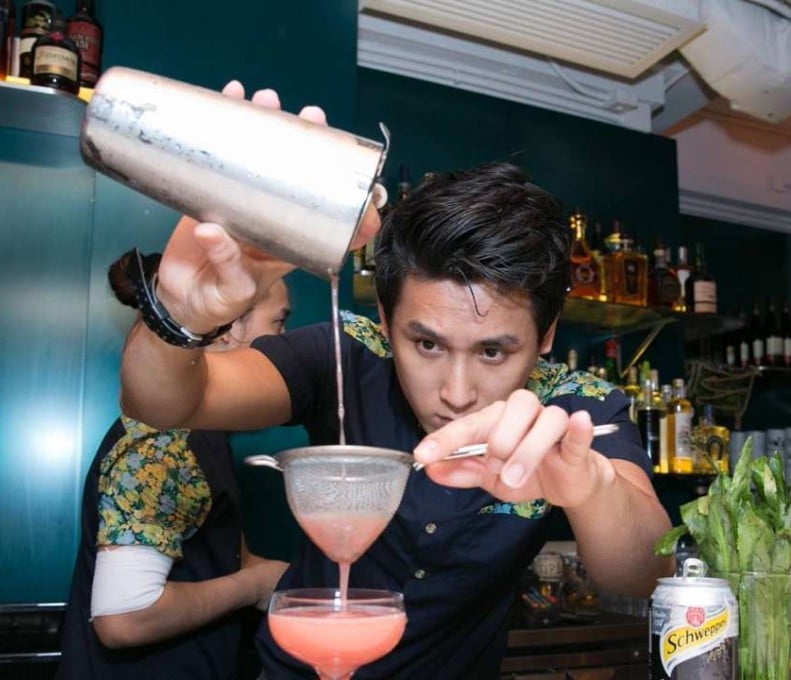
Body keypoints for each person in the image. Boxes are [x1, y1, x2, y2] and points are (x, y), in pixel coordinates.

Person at [117, 81, 674, 678]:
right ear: (385, 320)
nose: (455, 392)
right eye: (426, 343)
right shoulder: (350, 353)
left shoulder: (576, 405)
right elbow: (166, 401)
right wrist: (179, 314)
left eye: (493, 352)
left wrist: (587, 485)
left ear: (545, 336)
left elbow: (644, 571)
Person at [58, 250, 293, 679]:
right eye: (278, 322)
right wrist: (254, 586)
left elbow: (224, 560)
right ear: (225, 327)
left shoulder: (205, 435)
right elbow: (125, 617)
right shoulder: (164, 440)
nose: (287, 341)